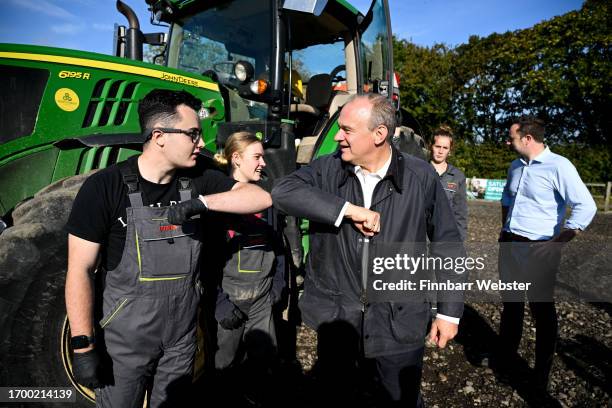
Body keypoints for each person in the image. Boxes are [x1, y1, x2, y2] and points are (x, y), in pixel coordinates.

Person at [65, 89, 272, 407]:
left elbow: (261, 198)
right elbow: (80, 269)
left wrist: (203, 203)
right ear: (159, 136)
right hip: (124, 345)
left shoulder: (199, 178)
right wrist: (82, 345)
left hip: (181, 340)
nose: (201, 144)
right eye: (193, 134)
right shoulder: (105, 187)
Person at [272, 93, 465, 407]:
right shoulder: (328, 169)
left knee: (397, 399)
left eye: (347, 129)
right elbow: (283, 192)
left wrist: (448, 312)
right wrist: (348, 210)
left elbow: (448, 244)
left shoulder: (420, 176)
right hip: (340, 320)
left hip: (398, 320)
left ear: (379, 135)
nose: (337, 136)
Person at [497, 115, 596, 391]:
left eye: (512, 138)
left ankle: (540, 372)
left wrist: (558, 242)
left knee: (542, 311)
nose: (508, 142)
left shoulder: (559, 166)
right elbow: (507, 198)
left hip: (538, 249)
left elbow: (586, 206)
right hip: (510, 244)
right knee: (511, 305)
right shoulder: (515, 166)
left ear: (527, 139)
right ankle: (506, 358)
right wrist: (505, 228)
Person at [211, 131, 286, 370]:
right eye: (257, 157)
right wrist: (220, 304)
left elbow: (278, 246)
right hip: (229, 299)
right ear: (236, 158)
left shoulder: (265, 199)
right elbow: (206, 259)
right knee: (225, 365)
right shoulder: (217, 201)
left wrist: (276, 288)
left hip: (262, 300)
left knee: (263, 364)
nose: (263, 163)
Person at [429, 125, 468, 240]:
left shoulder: (458, 177)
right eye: (437, 146)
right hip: (421, 236)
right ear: (431, 146)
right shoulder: (420, 171)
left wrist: (459, 241)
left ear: (450, 150)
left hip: (445, 237)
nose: (441, 151)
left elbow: (460, 213)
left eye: (445, 148)